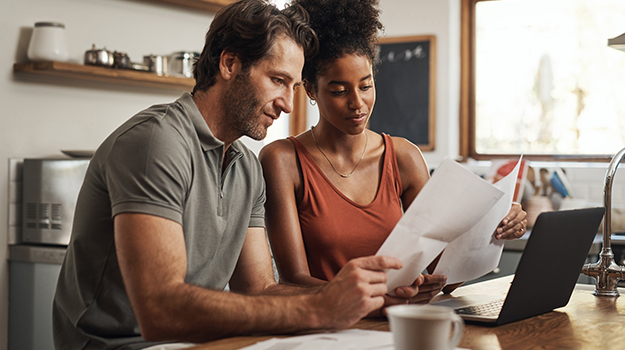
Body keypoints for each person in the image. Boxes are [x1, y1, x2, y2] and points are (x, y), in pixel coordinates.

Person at [52, 1, 407, 349]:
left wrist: (364, 297)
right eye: (277, 80)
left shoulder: (246, 167)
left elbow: (259, 289)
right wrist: (320, 307)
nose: (287, 104)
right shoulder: (156, 142)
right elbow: (160, 310)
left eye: (294, 87)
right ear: (230, 63)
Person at [259, 0, 528, 314]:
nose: (357, 103)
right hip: (328, 329)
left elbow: (444, 274)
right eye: (338, 90)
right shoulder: (282, 160)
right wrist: (377, 301)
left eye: (366, 85)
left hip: (399, 324)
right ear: (310, 90)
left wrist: (495, 229)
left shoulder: (403, 157)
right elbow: (294, 281)